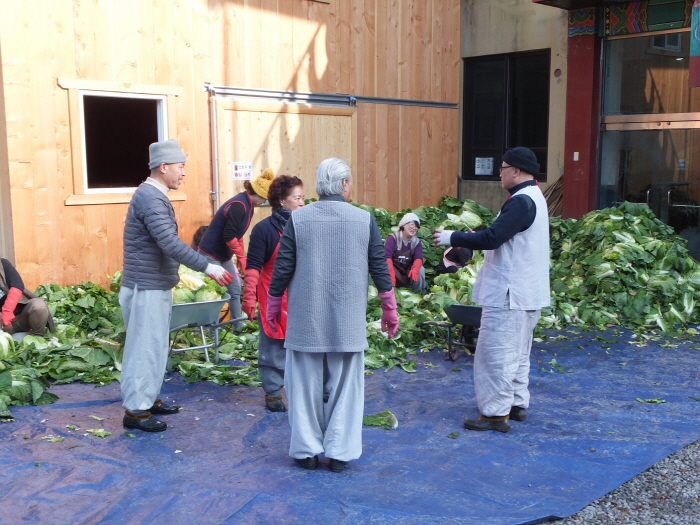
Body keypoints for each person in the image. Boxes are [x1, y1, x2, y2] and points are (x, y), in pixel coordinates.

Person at [266, 158, 399, 473]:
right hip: (347, 320)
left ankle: (307, 451)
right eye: (350, 181)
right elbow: (380, 266)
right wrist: (389, 307)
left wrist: (272, 308)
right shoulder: (363, 219)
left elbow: (283, 268)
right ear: (343, 185)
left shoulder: (299, 220)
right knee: (345, 389)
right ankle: (340, 453)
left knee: (303, 388)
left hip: (305, 320)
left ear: (317, 187)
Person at [433, 147, 550, 433]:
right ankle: (516, 405)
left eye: (503, 167)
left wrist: (453, 236)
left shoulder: (521, 201)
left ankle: (496, 414)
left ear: (517, 171)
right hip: (527, 291)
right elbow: (501, 234)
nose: (500, 172)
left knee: (495, 354)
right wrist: (474, 238)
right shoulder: (534, 197)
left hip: (510, 294)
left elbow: (495, 237)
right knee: (519, 352)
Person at [120, 139, 233, 433]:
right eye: (180, 167)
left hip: (152, 284)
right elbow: (168, 243)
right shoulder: (150, 198)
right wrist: (207, 266)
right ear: (164, 167)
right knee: (144, 349)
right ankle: (136, 412)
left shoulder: (153, 196)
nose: (183, 173)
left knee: (154, 347)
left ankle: (147, 399)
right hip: (146, 287)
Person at [241, 175, 305, 412]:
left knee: (302, 346)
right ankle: (273, 393)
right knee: (273, 347)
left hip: (299, 293)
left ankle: (303, 389)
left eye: (303, 197)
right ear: (281, 200)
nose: (302, 203)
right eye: (297, 198)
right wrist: (249, 296)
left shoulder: (304, 225)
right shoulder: (263, 230)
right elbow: (254, 266)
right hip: (272, 295)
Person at [197, 170, 274, 327]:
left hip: (223, 256)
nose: (264, 202)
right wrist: (241, 257)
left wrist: (240, 255)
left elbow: (239, 235)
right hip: (210, 255)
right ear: (258, 195)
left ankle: (237, 326)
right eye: (264, 199)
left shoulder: (249, 205)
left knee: (234, 289)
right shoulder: (239, 206)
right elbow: (229, 236)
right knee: (217, 293)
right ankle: (210, 331)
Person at [0, 258, 55, 337]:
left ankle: (38, 337)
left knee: (38, 305)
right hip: (3, 327)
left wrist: (7, 310)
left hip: (22, 317)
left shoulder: (3, 264)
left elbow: (17, 286)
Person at [384, 212, 426, 294]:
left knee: (421, 270)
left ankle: (417, 295)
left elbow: (418, 258)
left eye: (416, 226)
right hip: (393, 270)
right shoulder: (392, 238)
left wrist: (415, 269)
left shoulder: (416, 242)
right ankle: (388, 293)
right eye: (412, 225)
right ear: (403, 225)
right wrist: (391, 274)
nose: (414, 228)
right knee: (384, 267)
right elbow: (386, 257)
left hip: (407, 272)